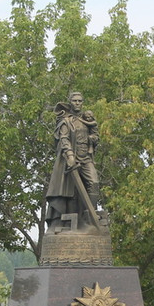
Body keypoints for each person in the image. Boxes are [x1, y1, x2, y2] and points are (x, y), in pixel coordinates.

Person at [45, 92, 101, 231]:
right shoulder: (66, 120)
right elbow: (63, 139)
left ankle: (89, 217)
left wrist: (94, 138)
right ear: (70, 102)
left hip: (86, 158)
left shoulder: (86, 119)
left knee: (94, 183)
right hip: (71, 159)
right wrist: (70, 156)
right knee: (70, 193)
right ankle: (68, 222)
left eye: (80, 101)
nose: (77, 103)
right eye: (74, 100)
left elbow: (95, 135)